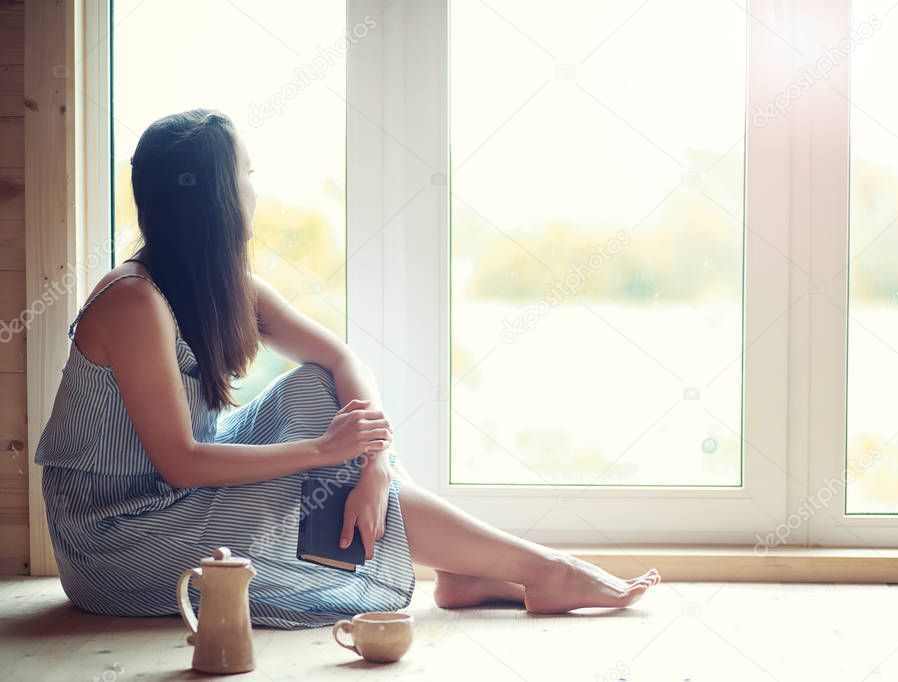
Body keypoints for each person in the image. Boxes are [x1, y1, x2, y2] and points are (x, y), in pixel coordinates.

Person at [35, 109, 660, 628]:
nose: (256, 188)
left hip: (182, 493)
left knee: (319, 390)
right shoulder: (133, 301)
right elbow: (181, 462)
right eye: (247, 173)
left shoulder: (223, 287)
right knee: (318, 477)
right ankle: (544, 571)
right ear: (216, 197)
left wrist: (376, 469)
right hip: (118, 536)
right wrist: (321, 454)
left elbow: (342, 361)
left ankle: (471, 573)